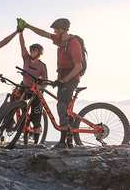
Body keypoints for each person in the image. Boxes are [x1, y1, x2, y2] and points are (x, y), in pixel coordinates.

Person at [20, 18, 85, 148]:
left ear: (62, 30)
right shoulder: (60, 40)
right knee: (64, 107)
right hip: (62, 76)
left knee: (61, 106)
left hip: (71, 78)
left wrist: (64, 80)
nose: (54, 32)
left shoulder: (73, 43)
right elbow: (43, 33)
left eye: (56, 30)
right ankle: (69, 136)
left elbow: (79, 66)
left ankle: (62, 141)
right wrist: (27, 26)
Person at [18, 28, 48, 139]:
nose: (31, 52)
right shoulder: (26, 58)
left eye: (34, 50)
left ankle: (36, 132)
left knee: (37, 112)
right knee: (13, 99)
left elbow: (45, 81)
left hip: (36, 90)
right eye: (31, 50)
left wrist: (39, 87)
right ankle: (12, 121)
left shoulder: (42, 65)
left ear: (39, 52)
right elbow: (22, 45)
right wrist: (20, 33)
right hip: (24, 87)